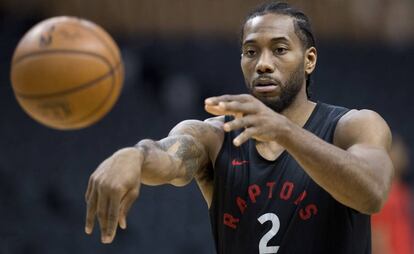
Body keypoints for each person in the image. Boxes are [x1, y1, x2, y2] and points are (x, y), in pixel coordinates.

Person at [84, 2, 394, 253]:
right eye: (251, 51)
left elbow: (373, 193)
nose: (263, 63)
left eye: (280, 49)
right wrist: (135, 155)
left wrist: (284, 132)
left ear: (309, 60)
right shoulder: (214, 137)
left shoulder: (354, 125)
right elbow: (167, 158)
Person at [371, 135, 413, 254]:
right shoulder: (384, 194)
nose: (400, 154)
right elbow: (378, 238)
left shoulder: (403, 190)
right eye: (394, 149)